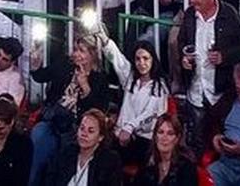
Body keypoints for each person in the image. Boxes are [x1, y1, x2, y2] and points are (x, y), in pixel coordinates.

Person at [178, 0, 240, 155]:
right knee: (197, 141)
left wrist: (224, 57)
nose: (193, 0)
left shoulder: (229, 14)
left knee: (220, 140)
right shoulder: (189, 15)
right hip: (195, 88)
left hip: (220, 91)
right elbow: (182, 42)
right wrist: (184, 59)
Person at [28, 36, 109, 186]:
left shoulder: (100, 79)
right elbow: (41, 76)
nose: (76, 54)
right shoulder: (65, 65)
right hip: (52, 121)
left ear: (92, 54)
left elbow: (97, 111)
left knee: (67, 155)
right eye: (75, 50)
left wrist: (85, 86)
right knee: (39, 134)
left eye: (82, 51)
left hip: (76, 127)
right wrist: (35, 65)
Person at [100, 35, 169, 165]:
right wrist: (104, 39)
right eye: (138, 59)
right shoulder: (130, 78)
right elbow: (117, 59)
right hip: (120, 135)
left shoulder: (160, 86)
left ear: (153, 60)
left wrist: (130, 127)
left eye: (145, 58)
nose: (141, 63)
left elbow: (150, 112)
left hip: (144, 140)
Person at [43, 107, 122, 186]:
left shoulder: (109, 161)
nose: (84, 134)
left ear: (100, 137)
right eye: (82, 128)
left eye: (90, 131)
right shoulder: (66, 153)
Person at [133, 114, 195, 186]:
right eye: (160, 132)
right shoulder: (147, 161)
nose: (164, 138)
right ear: (155, 137)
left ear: (177, 139)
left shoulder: (187, 167)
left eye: (170, 133)